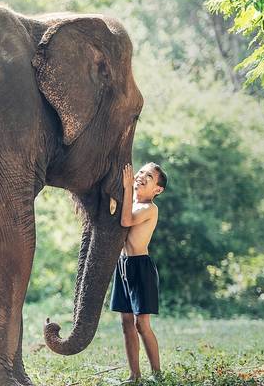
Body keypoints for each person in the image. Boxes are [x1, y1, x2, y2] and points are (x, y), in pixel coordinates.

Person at [111, 162, 168, 384]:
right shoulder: (131, 202)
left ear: (158, 189)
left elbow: (126, 220)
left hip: (141, 267)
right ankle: (134, 375)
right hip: (123, 265)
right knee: (126, 322)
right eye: (141, 172)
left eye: (150, 176)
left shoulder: (149, 208)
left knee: (141, 324)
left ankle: (158, 374)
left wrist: (126, 187)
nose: (142, 176)